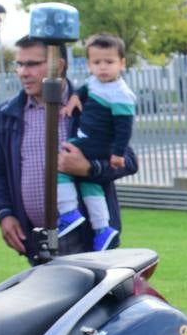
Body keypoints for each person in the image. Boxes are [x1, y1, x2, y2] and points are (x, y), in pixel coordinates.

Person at [0, 34, 137, 262]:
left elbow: (129, 161)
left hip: (86, 241)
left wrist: (88, 168)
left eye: (33, 64)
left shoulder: (92, 104)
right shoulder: (7, 114)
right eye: (20, 64)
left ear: (59, 65)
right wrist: (4, 214)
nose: (23, 72)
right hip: (35, 237)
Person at [58, 33, 136, 251]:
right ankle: (103, 229)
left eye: (109, 62)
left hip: (96, 142)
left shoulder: (121, 94)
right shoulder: (94, 83)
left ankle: (68, 212)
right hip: (92, 140)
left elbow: (124, 127)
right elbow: (85, 89)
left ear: (122, 63)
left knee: (60, 164)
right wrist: (75, 98)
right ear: (88, 65)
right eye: (97, 62)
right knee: (90, 185)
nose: (103, 67)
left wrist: (118, 153)